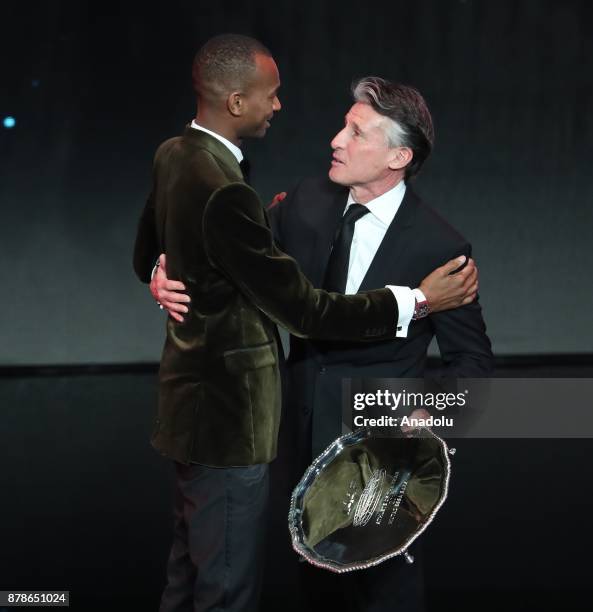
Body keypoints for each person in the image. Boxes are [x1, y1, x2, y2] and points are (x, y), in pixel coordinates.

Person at [152, 73, 491, 611]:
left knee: (383, 590)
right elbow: (230, 254)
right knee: (317, 585)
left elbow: (472, 364)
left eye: (357, 133)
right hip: (299, 440)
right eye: (343, 126)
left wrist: (423, 423)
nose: (336, 140)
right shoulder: (307, 200)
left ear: (397, 158)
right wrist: (162, 270)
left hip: (382, 454)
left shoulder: (440, 245)